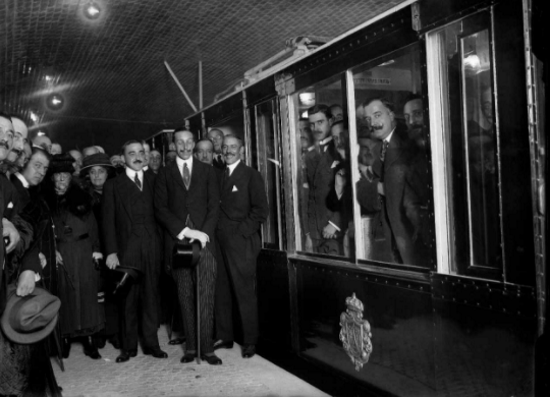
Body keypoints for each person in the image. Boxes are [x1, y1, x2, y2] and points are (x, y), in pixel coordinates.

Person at [155, 129, 221, 365]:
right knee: (185, 295)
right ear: (174, 145)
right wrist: (186, 232)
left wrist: (202, 234)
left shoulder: (208, 171)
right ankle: (191, 347)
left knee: (205, 294)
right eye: (179, 142)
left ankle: (207, 348)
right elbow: (160, 209)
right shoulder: (164, 173)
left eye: (188, 142)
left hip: (204, 241)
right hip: (178, 242)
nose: (184, 146)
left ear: (194, 143)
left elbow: (214, 207)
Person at [102, 140, 166, 363]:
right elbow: (107, 221)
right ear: (124, 157)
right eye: (132, 153)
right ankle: (128, 348)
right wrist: (111, 251)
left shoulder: (154, 180)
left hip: (152, 246)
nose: (138, 157)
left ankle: (152, 345)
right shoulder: (113, 185)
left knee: (151, 296)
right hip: (126, 249)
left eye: (141, 152)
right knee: (128, 299)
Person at [44, 153, 104, 360]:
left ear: (71, 178)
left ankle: (89, 340)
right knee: (65, 294)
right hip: (61, 252)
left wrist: (96, 249)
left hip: (83, 248)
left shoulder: (82, 197)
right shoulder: (45, 200)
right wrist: (52, 251)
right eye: (57, 176)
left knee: (86, 293)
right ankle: (66, 338)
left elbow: (93, 225)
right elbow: (42, 231)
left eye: (65, 176)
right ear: (51, 178)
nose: (61, 180)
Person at [214, 134, 268, 359]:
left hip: (241, 241)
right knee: (222, 290)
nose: (228, 151)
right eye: (225, 147)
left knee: (244, 292)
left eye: (233, 147)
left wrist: (240, 233)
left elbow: (260, 211)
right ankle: (225, 336)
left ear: (242, 150)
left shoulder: (251, 175)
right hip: (219, 241)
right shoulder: (218, 174)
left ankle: (249, 341)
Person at [363, 97, 426, 265]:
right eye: (368, 119)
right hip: (391, 242)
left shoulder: (409, 148)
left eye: (377, 115)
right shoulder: (376, 149)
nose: (373, 123)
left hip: (412, 245)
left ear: (391, 115)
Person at [80, 153, 120, 349]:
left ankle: (114, 332)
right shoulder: (84, 198)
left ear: (108, 173)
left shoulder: (116, 192)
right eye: (93, 172)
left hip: (114, 249)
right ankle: (98, 333)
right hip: (94, 251)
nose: (97, 176)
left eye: (101, 172)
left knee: (115, 291)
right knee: (96, 292)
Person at [303, 104, 341, 254]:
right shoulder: (310, 156)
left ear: (330, 122)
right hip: (316, 233)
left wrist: (335, 223)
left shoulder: (340, 148)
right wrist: (309, 234)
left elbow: (350, 192)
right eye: (312, 124)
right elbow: (308, 198)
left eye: (320, 122)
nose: (316, 128)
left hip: (335, 232)